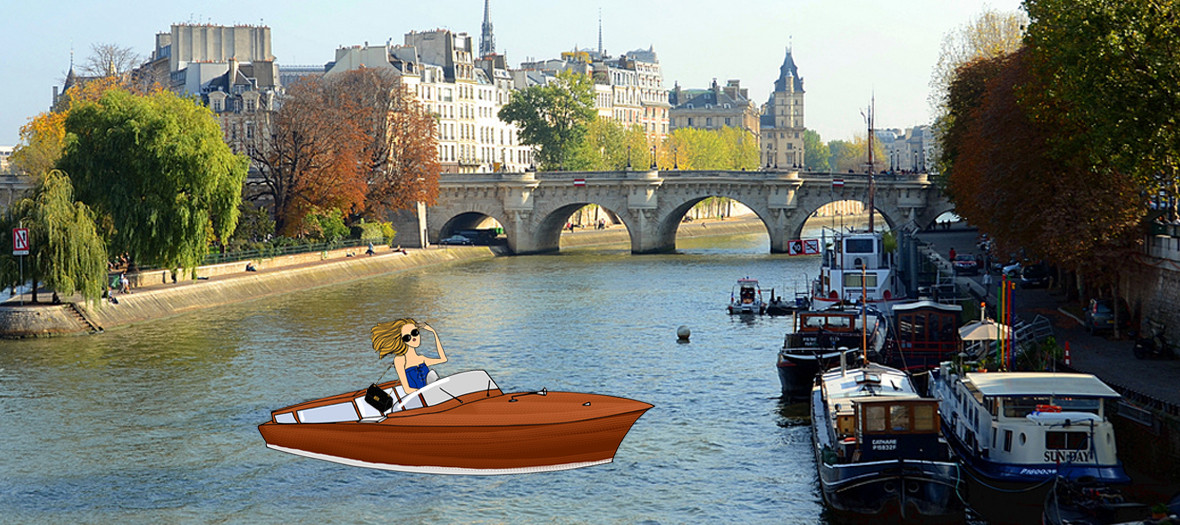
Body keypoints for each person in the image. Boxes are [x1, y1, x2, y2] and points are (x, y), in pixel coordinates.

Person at [371, 318, 448, 395]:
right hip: (417, 398)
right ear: (402, 340)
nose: (413, 338)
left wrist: (433, 331)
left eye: (415, 332)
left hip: (432, 394)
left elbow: (443, 359)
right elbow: (407, 389)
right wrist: (425, 393)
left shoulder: (422, 359)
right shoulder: (400, 360)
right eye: (407, 337)